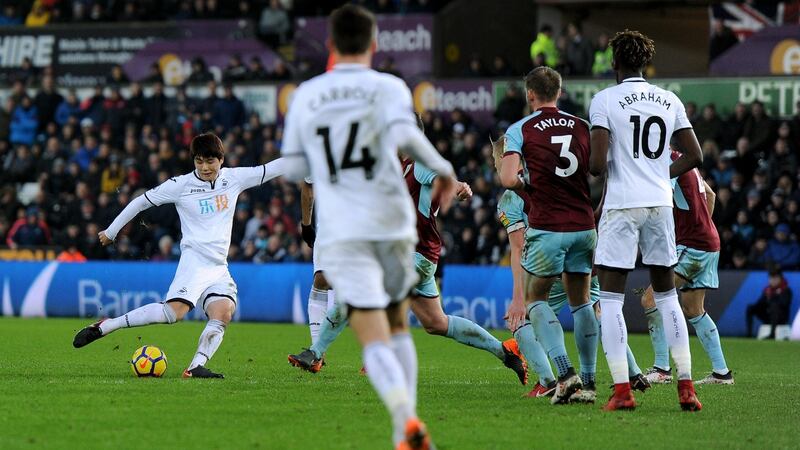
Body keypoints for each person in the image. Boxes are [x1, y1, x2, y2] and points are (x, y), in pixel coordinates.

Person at [279, 6, 456, 448]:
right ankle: (407, 423)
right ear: (375, 45)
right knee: (398, 325)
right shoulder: (390, 87)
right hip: (394, 225)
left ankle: (403, 419)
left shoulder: (308, 95)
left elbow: (296, 168)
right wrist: (444, 168)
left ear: (331, 45)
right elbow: (409, 138)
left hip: (345, 229)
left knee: (370, 329)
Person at [289, 125, 528, 386]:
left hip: (414, 254)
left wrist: (459, 187)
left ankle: (316, 353)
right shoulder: (398, 170)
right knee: (436, 322)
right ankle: (506, 351)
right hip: (419, 257)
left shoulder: (420, 164)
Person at [73, 133, 286, 379]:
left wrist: (308, 157)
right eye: (199, 161)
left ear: (221, 159)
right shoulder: (181, 185)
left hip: (218, 266)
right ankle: (107, 325)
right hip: (194, 262)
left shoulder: (234, 179)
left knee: (224, 312)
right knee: (173, 314)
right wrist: (111, 231)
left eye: (210, 161)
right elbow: (140, 202)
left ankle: (195, 367)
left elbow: (271, 168)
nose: (205, 167)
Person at [588, 30, 703, 411]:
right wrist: (663, 176)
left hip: (622, 205)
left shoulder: (604, 100)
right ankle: (686, 387)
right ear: (644, 62)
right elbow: (695, 154)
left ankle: (622, 392)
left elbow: (596, 165)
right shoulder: (668, 98)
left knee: (611, 300)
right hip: (660, 204)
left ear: (615, 63)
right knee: (669, 297)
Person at [493, 137, 650, 401]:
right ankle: (632, 371)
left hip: (548, 261)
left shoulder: (511, 197)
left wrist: (518, 297)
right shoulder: (554, 177)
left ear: (505, 160)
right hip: (584, 247)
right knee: (596, 311)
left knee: (523, 321)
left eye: (495, 159)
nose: (494, 165)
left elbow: (518, 246)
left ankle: (549, 381)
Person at [498, 66, 598, 405]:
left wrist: (532, 184)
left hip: (548, 225)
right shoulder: (582, 126)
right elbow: (600, 169)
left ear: (530, 94)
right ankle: (589, 381)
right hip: (585, 224)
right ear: (559, 91)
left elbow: (509, 178)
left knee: (536, 298)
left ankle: (564, 373)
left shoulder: (520, 129)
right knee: (582, 301)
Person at [640, 149, 733, 386]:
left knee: (651, 299)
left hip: (692, 245)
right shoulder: (685, 161)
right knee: (693, 308)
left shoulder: (665, 162)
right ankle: (722, 373)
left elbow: (662, 199)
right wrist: (700, 227)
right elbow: (710, 195)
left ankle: (662, 368)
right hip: (709, 241)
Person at [746, 267, 793, 338]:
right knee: (750, 308)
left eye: (775, 278)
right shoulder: (767, 290)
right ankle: (748, 335)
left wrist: (774, 297)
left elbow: (785, 304)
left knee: (774, 306)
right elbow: (760, 303)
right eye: (771, 278)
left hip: (781, 318)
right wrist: (766, 299)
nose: (773, 281)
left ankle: (772, 334)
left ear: (780, 279)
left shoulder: (786, 290)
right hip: (768, 316)